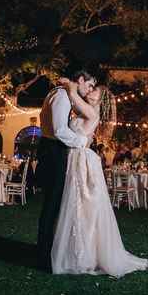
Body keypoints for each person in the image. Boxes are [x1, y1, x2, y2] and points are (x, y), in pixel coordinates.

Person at [50, 77, 148, 277]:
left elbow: (72, 94)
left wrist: (70, 84)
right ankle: (76, 251)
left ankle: (84, 254)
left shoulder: (91, 113)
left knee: (83, 204)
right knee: (74, 204)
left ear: (101, 99)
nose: (92, 90)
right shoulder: (82, 110)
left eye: (96, 90)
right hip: (74, 157)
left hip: (82, 161)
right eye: (92, 87)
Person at [35, 70, 96, 270]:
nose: (89, 90)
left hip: (52, 149)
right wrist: (83, 141)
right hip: (53, 151)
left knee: (55, 204)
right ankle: (44, 255)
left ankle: (48, 249)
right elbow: (60, 130)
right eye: (88, 85)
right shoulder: (61, 96)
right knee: (52, 204)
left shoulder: (62, 94)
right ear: (80, 79)